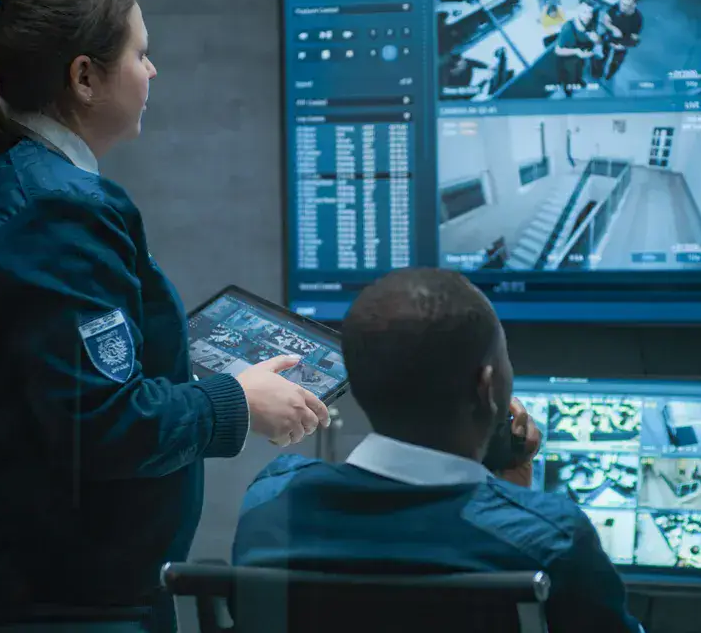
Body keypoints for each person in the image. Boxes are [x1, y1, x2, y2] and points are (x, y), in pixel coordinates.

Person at [0, 0, 329, 632]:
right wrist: (237, 402)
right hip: (51, 605)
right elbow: (104, 426)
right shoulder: (54, 208)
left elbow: (66, 387)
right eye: (141, 53)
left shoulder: (11, 184)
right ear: (83, 77)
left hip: (33, 590)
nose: (152, 71)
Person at [233, 268, 644, 633]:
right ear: (487, 387)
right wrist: (517, 487)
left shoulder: (271, 502)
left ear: (358, 382)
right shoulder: (549, 537)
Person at [554, 1, 600, 97]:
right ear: (577, 12)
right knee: (569, 76)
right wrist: (576, 52)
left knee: (579, 70)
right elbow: (558, 50)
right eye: (584, 12)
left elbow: (598, 41)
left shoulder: (591, 22)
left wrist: (597, 39)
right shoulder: (568, 28)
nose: (588, 16)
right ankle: (568, 91)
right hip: (569, 59)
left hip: (582, 57)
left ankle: (578, 80)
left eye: (590, 12)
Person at [603, 0, 644, 81]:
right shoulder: (616, 6)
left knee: (616, 62)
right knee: (603, 54)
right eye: (621, 3)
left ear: (634, 5)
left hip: (622, 43)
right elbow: (606, 19)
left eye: (625, 5)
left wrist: (623, 46)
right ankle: (598, 71)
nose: (622, 6)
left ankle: (609, 75)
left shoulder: (637, 19)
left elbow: (635, 39)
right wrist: (613, 28)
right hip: (609, 37)